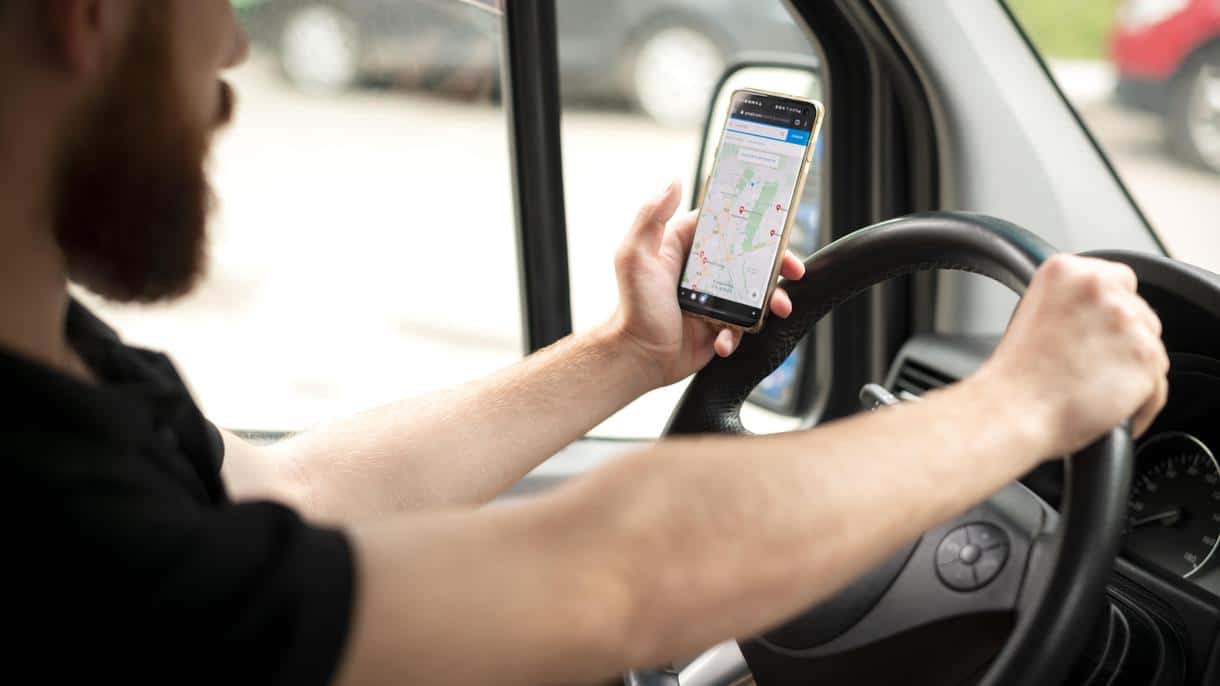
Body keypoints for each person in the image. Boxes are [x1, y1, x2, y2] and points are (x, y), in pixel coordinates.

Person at [0, 2, 1169, 684]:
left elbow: (288, 492)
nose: (231, 53)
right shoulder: (49, 514)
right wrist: (1020, 402)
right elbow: (621, 572)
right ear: (91, 18)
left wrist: (623, 352)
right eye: (205, 5)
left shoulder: (60, 360)